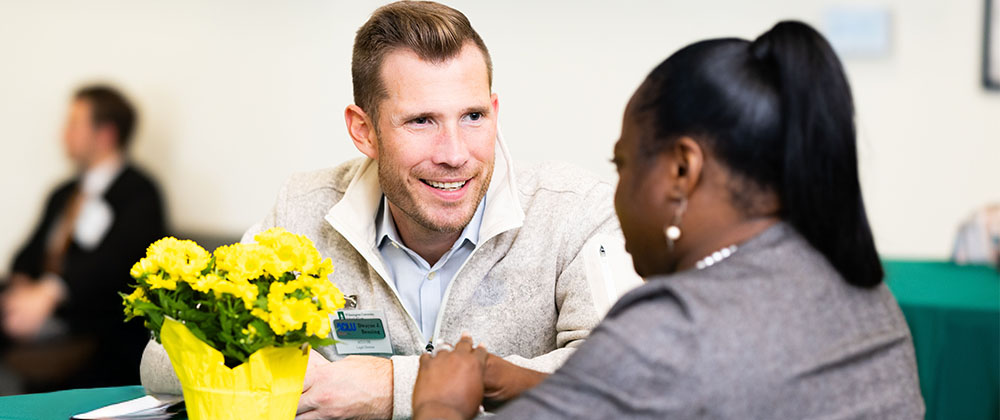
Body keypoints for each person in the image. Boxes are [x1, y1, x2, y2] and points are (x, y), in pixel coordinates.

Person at [138, 2, 637, 418]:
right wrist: (284, 370)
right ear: (364, 131)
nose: (455, 152)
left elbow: (620, 378)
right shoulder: (303, 208)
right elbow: (161, 360)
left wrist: (389, 387)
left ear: (495, 111)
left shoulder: (576, 212)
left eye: (472, 116)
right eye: (421, 121)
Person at [411, 21, 925, 419]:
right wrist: (527, 382)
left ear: (682, 170)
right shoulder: (851, 283)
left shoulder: (673, 326)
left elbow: (671, 375)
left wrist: (439, 405)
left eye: (624, 164)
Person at [0, 85, 167, 393]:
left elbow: (117, 264)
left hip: (92, 324)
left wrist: (50, 294)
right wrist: (23, 284)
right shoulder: (64, 193)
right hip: (41, 311)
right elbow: (28, 253)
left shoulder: (139, 193)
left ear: (105, 134)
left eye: (74, 124)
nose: (64, 134)